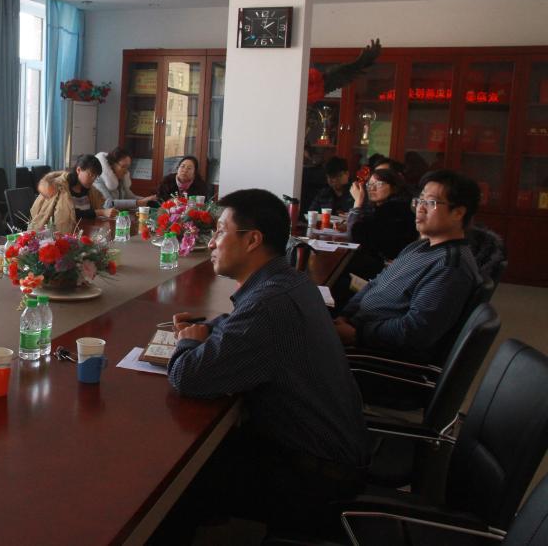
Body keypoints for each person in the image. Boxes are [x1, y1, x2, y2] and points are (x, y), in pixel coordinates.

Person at [152, 189, 367, 541]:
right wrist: (209, 329)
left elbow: (188, 376)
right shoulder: (288, 282)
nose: (212, 242)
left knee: (170, 477)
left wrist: (189, 342)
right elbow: (242, 325)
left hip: (315, 475)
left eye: (221, 231)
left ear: (252, 240)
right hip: (327, 448)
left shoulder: (269, 305)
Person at [333, 170, 482, 364]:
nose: (420, 208)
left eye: (431, 202)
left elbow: (416, 330)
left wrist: (356, 333)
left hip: (377, 355)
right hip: (358, 330)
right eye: (420, 200)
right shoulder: (419, 246)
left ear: (458, 213)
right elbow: (376, 283)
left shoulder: (449, 266)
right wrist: (345, 316)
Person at [29, 154, 116, 233]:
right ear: (78, 170)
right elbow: (69, 214)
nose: (93, 179)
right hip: (59, 235)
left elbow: (97, 208)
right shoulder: (60, 187)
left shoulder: (90, 191)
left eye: (95, 176)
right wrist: (100, 212)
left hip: (84, 232)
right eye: (90, 175)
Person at [347, 167, 418, 262]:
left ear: (394, 188)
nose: (372, 188)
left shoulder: (394, 210)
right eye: (369, 184)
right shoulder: (384, 208)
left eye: (379, 184)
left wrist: (358, 202)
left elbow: (354, 237)